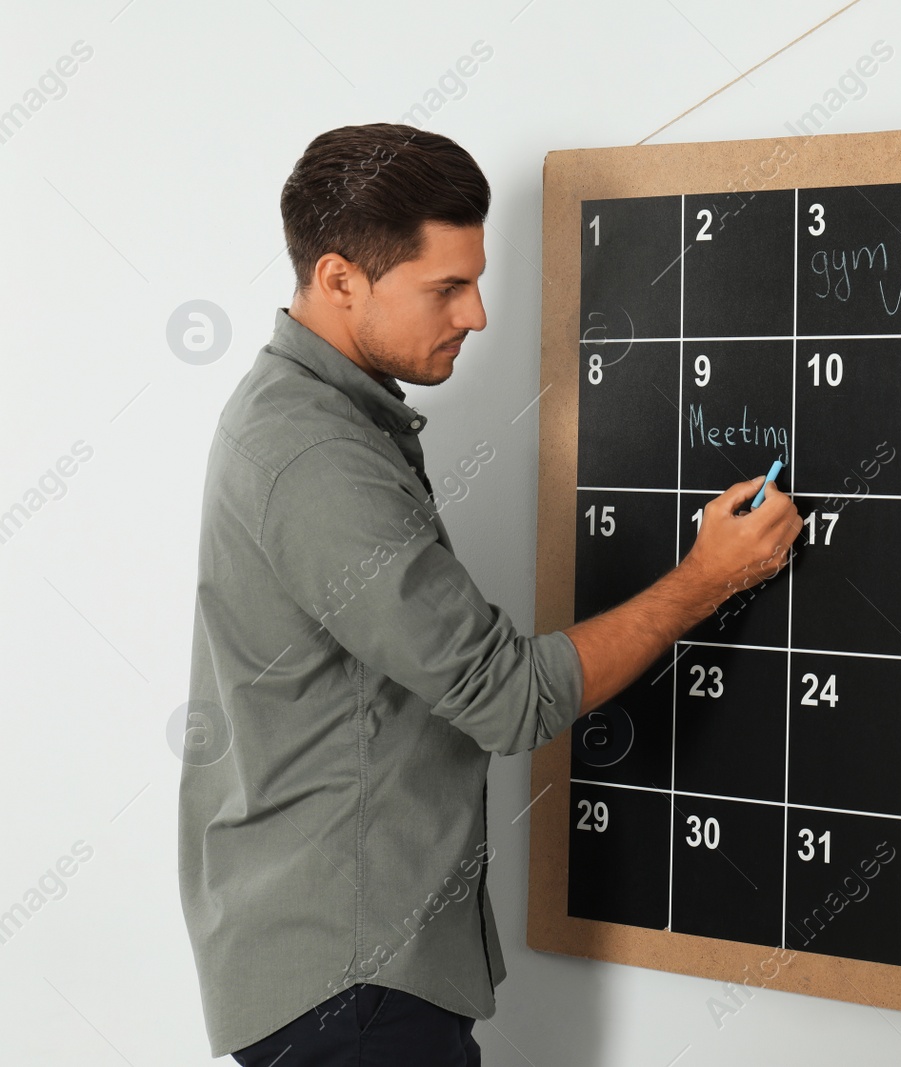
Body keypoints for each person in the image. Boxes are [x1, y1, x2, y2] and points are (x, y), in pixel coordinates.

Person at [177, 123, 801, 1066]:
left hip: (343, 971)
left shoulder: (313, 415)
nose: (476, 315)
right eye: (446, 287)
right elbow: (511, 698)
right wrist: (708, 577)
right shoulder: (316, 456)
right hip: (352, 986)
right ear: (342, 278)